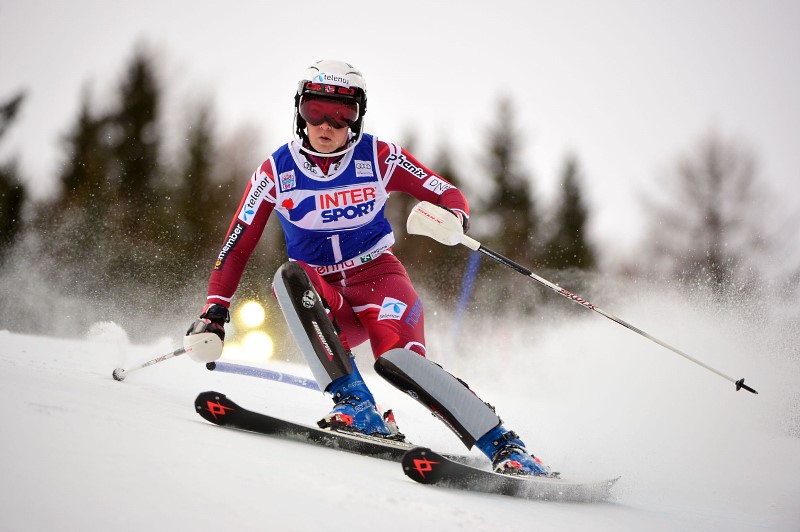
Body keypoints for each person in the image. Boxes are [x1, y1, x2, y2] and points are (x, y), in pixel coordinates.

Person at [187, 59, 551, 476]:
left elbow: (445, 192)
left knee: (398, 362)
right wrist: (214, 310)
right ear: (299, 111)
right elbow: (236, 244)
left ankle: (507, 446)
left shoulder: (379, 157)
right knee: (288, 278)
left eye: (341, 115)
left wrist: (454, 219)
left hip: (380, 281)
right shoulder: (275, 171)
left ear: (357, 117)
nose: (326, 125)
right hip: (327, 295)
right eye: (314, 110)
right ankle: (357, 406)